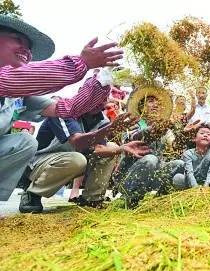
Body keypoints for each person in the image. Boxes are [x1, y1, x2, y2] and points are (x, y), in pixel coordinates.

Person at [0, 15, 123, 201]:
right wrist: (82, 63)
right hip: (42, 161)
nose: (26, 50)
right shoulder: (10, 79)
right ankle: (32, 191)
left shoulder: (19, 96)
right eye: (17, 39)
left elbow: (67, 109)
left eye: (29, 47)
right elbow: (18, 77)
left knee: (25, 141)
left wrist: (101, 83)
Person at [18, 112, 147, 213]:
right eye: (96, 95)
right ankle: (33, 193)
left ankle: (92, 198)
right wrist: (111, 130)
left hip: (70, 162)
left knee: (111, 147)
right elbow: (78, 142)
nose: (101, 102)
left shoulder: (102, 120)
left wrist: (121, 148)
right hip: (41, 162)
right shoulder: (64, 112)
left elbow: (99, 148)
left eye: (104, 98)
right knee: (77, 159)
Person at [173, 124, 210, 189]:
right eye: (202, 133)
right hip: (190, 183)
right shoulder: (188, 153)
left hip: (206, 184)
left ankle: (209, 193)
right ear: (194, 138)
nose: (205, 135)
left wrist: (207, 186)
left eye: (208, 134)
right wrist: (195, 187)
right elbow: (189, 172)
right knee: (178, 178)